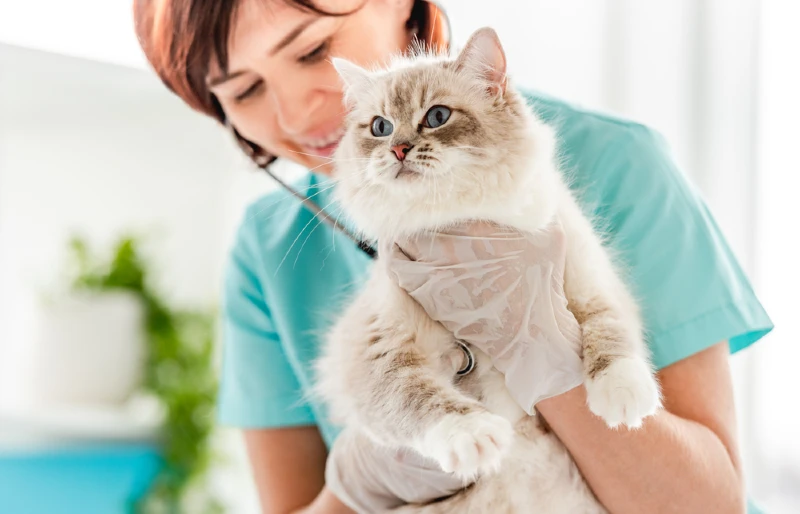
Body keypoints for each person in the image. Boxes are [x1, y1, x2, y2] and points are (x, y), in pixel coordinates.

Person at [133, 1, 774, 513]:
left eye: (311, 50)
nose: (295, 108)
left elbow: (707, 506)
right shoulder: (269, 244)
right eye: (243, 91)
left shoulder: (617, 162)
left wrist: (550, 360)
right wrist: (361, 482)